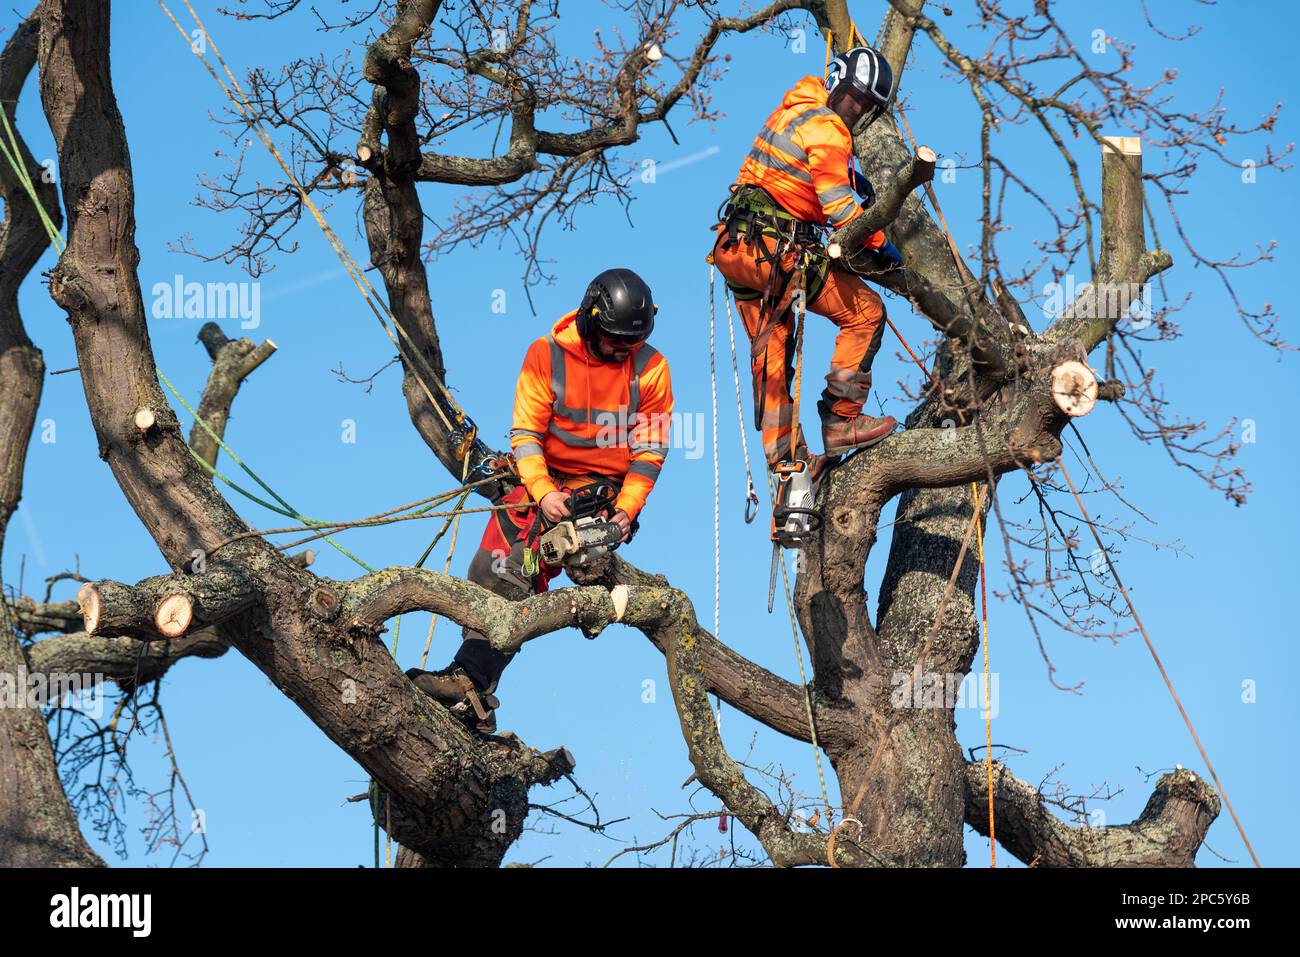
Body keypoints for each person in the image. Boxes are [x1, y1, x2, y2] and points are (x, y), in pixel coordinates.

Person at [405, 268, 673, 732]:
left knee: (520, 571)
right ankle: (469, 683)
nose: (620, 351)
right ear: (591, 321)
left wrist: (627, 512)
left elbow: (649, 451)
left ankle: (470, 681)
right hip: (542, 481)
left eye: (630, 343)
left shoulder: (651, 368)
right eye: (613, 341)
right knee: (487, 569)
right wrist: (543, 491)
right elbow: (526, 435)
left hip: (600, 492)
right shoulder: (546, 355)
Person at [711, 44, 905, 472]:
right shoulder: (830, 128)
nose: (854, 111)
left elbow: (791, 176)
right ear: (836, 82)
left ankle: (789, 468)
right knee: (868, 313)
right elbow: (839, 210)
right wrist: (880, 245)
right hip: (774, 251)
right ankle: (840, 420)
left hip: (736, 248)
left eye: (864, 106)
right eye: (853, 98)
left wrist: (847, 173)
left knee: (772, 359)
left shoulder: (792, 110)